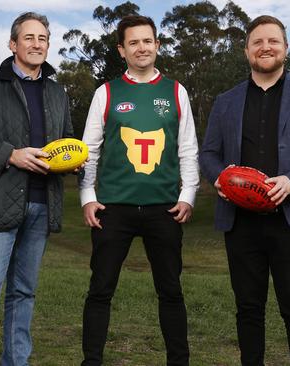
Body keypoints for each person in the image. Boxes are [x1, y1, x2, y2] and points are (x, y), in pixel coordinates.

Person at [199, 15, 290, 366]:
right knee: (248, 308)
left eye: (273, 41)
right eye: (257, 42)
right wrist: (219, 178)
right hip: (241, 222)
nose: (265, 47)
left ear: (285, 48)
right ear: (247, 50)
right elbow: (208, 153)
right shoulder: (226, 100)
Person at [0, 12, 73, 366]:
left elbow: (65, 142)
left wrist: (71, 160)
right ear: (13, 44)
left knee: (24, 293)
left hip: (42, 205)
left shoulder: (57, 92)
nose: (37, 44)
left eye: (43, 39)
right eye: (29, 38)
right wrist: (11, 155)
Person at [79, 14, 199, 366]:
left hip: (164, 208)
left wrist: (187, 196)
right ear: (122, 50)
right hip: (113, 209)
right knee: (100, 291)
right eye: (133, 42)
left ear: (157, 45)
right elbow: (90, 151)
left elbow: (188, 149)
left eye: (147, 41)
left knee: (171, 292)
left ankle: (179, 361)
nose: (141, 47)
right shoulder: (106, 93)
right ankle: (92, 361)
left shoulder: (176, 91)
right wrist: (88, 197)